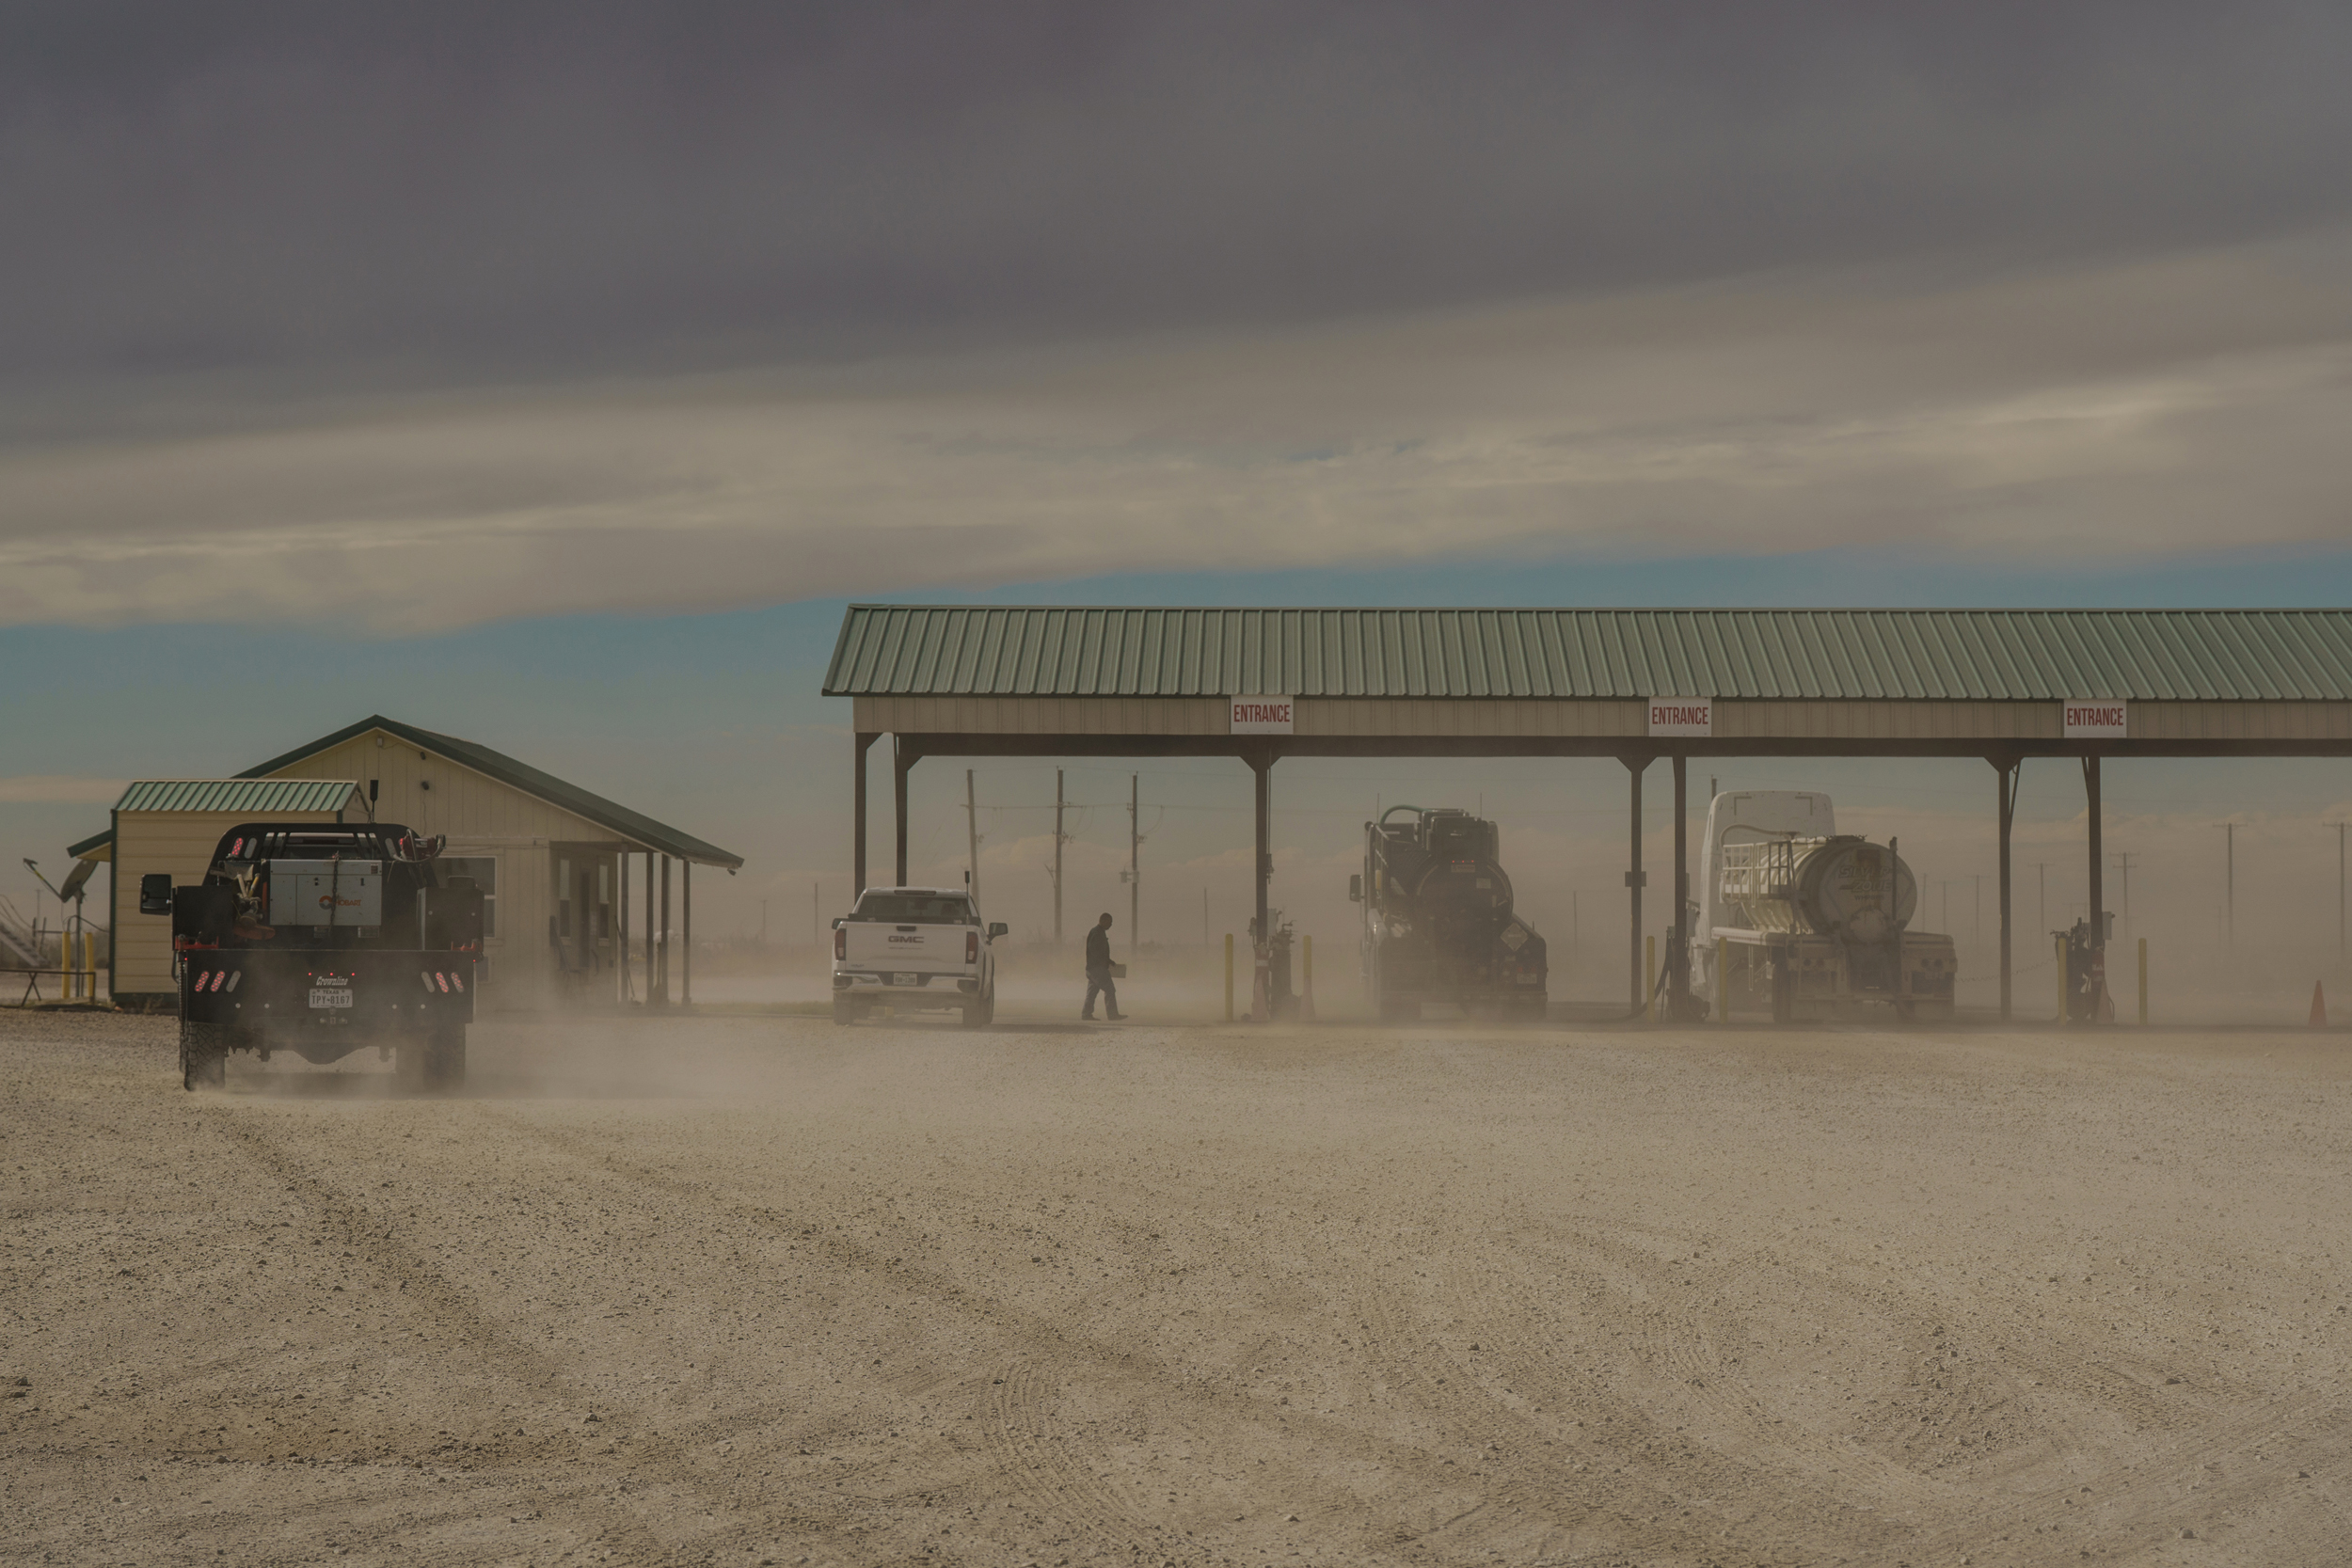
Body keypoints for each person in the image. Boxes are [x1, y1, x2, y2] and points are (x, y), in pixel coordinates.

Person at [1083, 911, 1125, 1021]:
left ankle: (1086, 1014)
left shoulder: (1098, 932)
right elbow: (1094, 951)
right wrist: (1103, 962)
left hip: (1093, 968)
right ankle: (1112, 1015)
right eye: (1109, 922)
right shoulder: (1097, 933)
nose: (1110, 925)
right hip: (1097, 969)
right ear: (1103, 921)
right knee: (1110, 989)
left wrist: (1109, 961)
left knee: (1092, 992)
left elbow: (1098, 951)